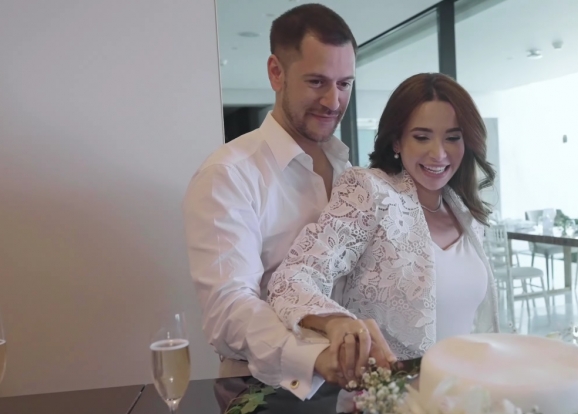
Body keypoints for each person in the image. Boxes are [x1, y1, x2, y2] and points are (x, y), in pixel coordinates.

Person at [182, 3, 393, 407]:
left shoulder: (352, 174)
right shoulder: (228, 174)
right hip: (264, 391)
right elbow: (229, 309)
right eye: (317, 82)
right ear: (276, 73)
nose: (333, 100)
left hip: (359, 390)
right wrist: (315, 356)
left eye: (345, 84)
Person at [267, 73, 501, 383]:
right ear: (397, 141)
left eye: (453, 137)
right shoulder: (370, 191)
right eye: (422, 137)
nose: (439, 153)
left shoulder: (465, 213)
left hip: (467, 392)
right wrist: (336, 322)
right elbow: (293, 278)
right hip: (388, 396)